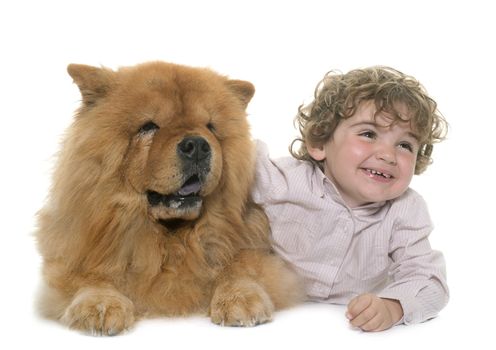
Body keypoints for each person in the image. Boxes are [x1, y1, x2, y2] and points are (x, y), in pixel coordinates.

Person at [252, 66, 449, 332]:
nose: (388, 155)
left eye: (405, 145)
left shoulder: (405, 210)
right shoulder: (285, 181)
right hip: (270, 313)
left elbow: (429, 279)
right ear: (320, 144)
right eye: (369, 134)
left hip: (342, 330)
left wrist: (393, 307)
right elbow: (239, 163)